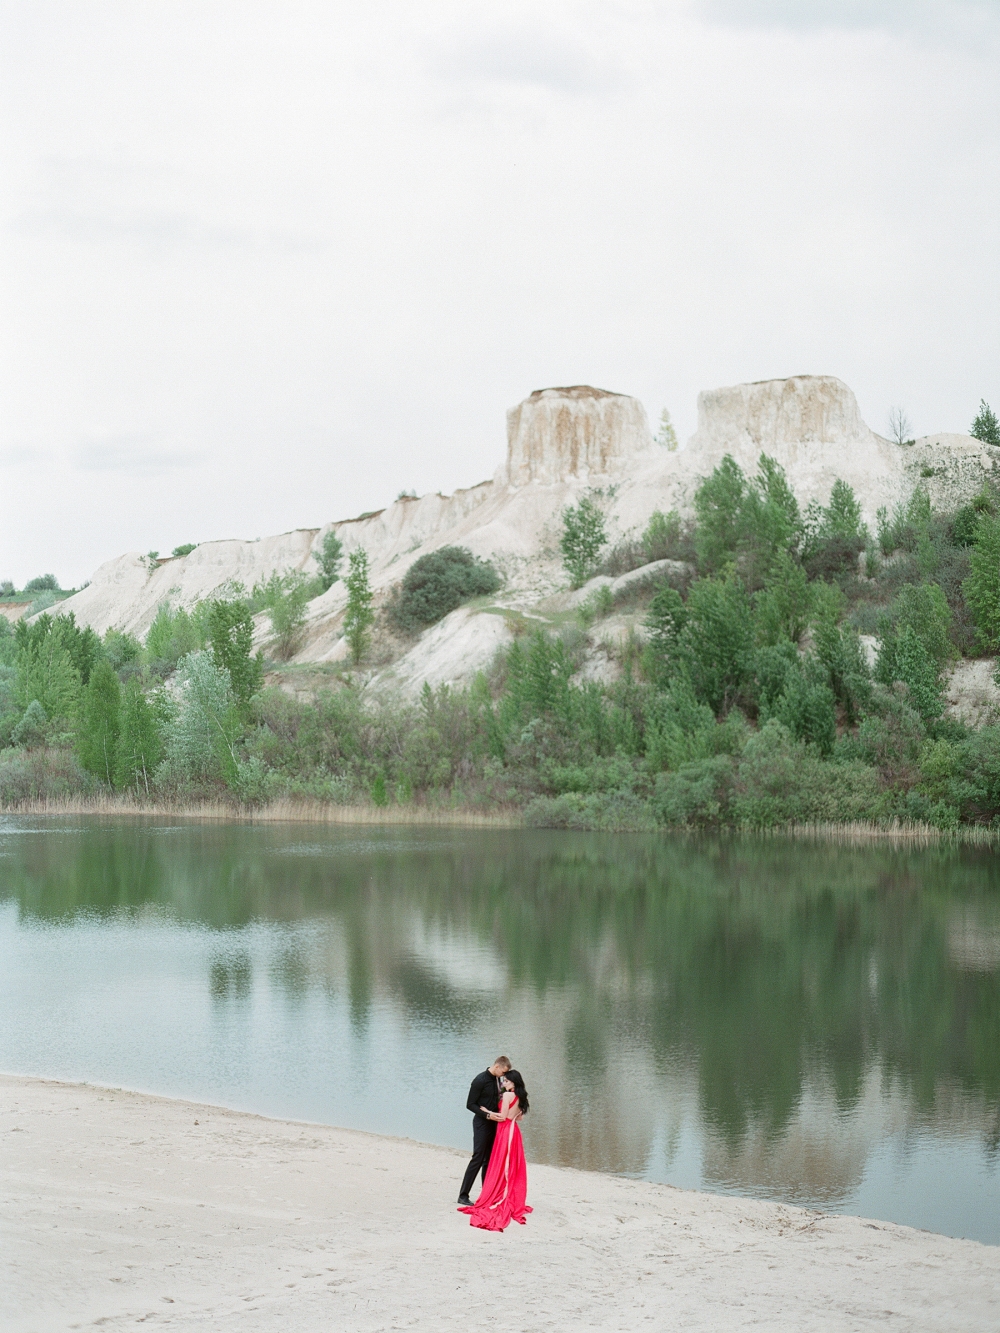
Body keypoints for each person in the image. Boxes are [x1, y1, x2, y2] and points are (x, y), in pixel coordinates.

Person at [458, 1070, 531, 1231]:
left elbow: (503, 1116)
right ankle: (505, 1191)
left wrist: (486, 1112)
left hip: (505, 1130)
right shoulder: (521, 1095)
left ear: (512, 1082)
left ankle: (498, 1194)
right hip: (514, 1130)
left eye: (506, 1081)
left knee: (501, 1162)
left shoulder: (507, 1096)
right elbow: (520, 1117)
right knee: (511, 1164)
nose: (503, 1084)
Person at [458, 1057, 510, 1206]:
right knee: (478, 1158)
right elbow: (470, 1104)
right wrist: (487, 1115)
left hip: (495, 1124)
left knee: (489, 1159)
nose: (503, 1075)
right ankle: (463, 1195)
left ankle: (486, 1194)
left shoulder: (499, 1080)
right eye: (503, 1072)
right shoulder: (480, 1080)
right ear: (497, 1066)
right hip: (482, 1123)